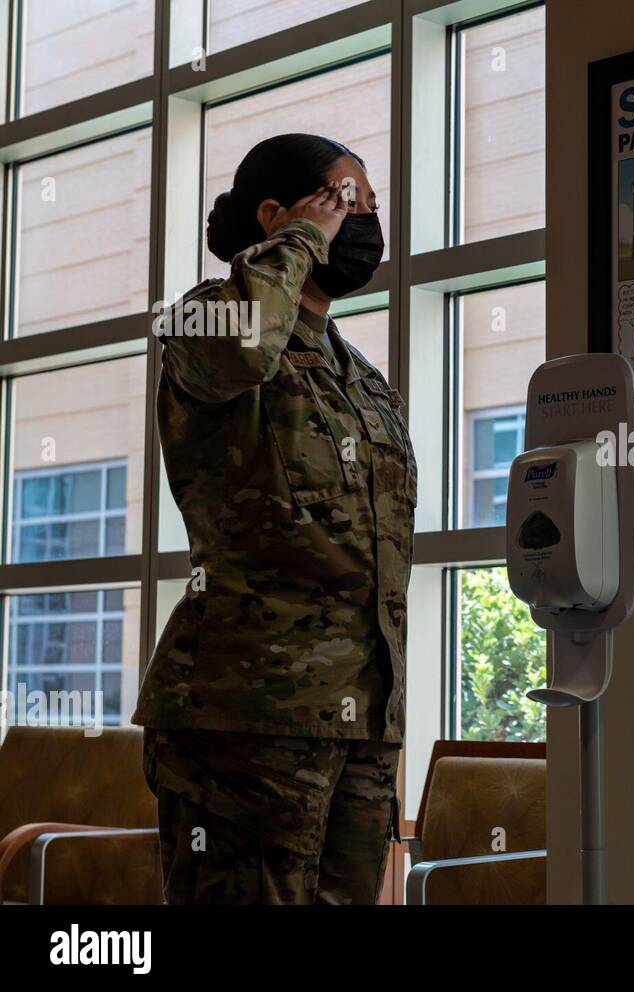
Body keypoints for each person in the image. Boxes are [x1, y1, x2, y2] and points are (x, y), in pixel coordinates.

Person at [132, 133, 416, 905]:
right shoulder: (205, 321)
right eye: (345, 201)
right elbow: (247, 349)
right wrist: (295, 241)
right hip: (245, 720)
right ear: (276, 214)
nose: (363, 222)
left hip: (358, 718)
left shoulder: (363, 380)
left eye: (371, 207)